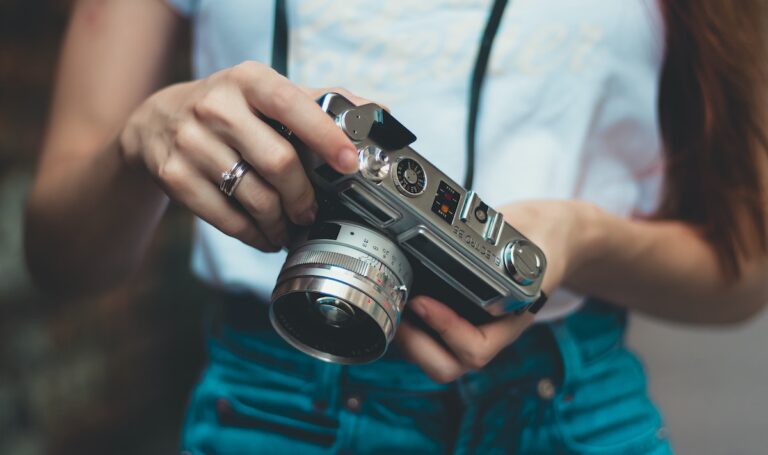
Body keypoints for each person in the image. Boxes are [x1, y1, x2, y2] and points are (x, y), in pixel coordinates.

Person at [25, 0, 768, 453]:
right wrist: (140, 143)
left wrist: (579, 240)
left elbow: (745, 273)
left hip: (566, 402)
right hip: (275, 397)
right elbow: (59, 260)